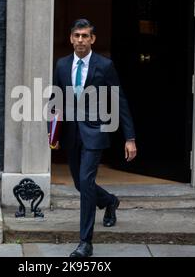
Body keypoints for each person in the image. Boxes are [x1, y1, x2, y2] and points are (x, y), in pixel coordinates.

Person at [51, 19, 137, 257]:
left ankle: (85, 243)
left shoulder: (105, 65)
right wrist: (52, 131)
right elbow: (55, 99)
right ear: (71, 38)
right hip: (70, 133)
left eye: (85, 36)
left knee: (86, 182)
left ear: (92, 39)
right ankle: (109, 201)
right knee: (80, 184)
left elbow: (119, 101)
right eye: (77, 35)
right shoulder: (62, 65)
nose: (80, 40)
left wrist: (129, 138)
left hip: (95, 131)